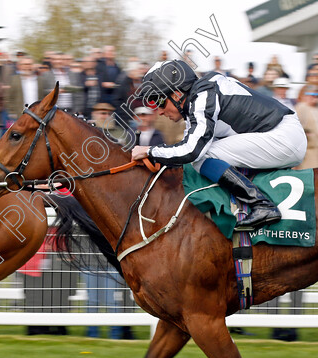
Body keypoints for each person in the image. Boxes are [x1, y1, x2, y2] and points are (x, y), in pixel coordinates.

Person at [131, 59, 307, 232]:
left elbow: (191, 151)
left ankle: (261, 205)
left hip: (284, 136)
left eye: (159, 101)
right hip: (281, 133)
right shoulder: (201, 94)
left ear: (177, 94)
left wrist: (149, 150)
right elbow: (184, 147)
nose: (159, 111)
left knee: (201, 157)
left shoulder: (202, 96)